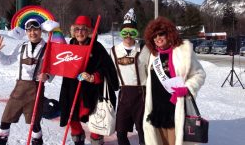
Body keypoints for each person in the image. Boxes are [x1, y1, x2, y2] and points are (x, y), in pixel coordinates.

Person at [142, 17, 206, 145]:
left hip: (175, 109)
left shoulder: (183, 51)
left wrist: (187, 88)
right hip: (157, 109)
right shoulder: (154, 55)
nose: (158, 38)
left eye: (161, 34)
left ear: (169, 34)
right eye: (154, 36)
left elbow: (200, 74)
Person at [0, 18, 53, 145]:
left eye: (35, 29)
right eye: (29, 30)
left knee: (34, 122)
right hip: (19, 88)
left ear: (41, 30)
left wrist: (47, 76)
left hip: (36, 89)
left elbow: (54, 67)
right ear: (26, 32)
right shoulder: (22, 46)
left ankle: (37, 142)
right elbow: (8, 60)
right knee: (6, 118)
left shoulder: (48, 48)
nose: (32, 33)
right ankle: (0, 141)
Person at [59, 16, 119, 145]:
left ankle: (96, 141)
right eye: (77, 29)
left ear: (89, 31)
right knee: (72, 118)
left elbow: (107, 69)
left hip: (92, 92)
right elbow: (61, 63)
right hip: (72, 89)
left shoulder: (97, 48)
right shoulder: (70, 46)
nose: (80, 33)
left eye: (83, 30)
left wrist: (93, 77)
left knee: (96, 121)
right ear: (73, 31)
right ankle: (78, 141)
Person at [110, 8, 147, 145]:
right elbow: (109, 72)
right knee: (120, 131)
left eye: (133, 32)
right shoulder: (114, 51)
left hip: (142, 94)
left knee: (143, 131)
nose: (128, 35)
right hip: (124, 94)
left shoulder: (144, 49)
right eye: (125, 32)